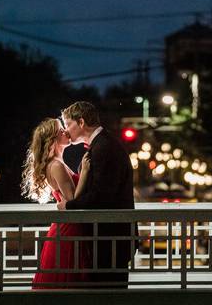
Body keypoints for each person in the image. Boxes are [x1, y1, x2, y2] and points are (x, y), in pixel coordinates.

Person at [58, 101, 134, 288]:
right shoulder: (103, 143)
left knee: (106, 294)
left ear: (81, 122)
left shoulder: (104, 147)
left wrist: (68, 205)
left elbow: (101, 196)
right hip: (108, 238)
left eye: (68, 124)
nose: (66, 130)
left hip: (109, 239)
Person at [22, 117, 92, 289]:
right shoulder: (56, 166)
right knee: (68, 276)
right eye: (61, 130)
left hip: (67, 226)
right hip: (69, 229)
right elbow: (72, 200)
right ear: (52, 139)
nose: (65, 131)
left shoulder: (56, 163)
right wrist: (84, 172)